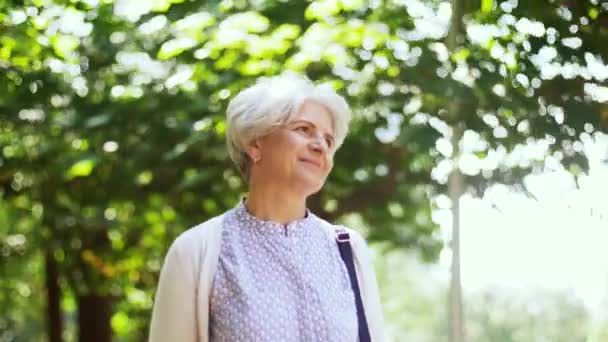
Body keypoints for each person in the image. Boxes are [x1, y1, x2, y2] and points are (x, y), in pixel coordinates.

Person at [148, 72, 384, 342]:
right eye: (303, 129)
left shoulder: (348, 249)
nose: (320, 146)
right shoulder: (196, 252)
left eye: (328, 140)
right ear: (255, 143)